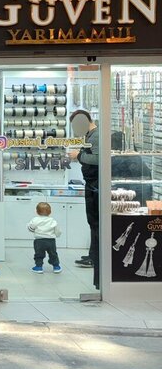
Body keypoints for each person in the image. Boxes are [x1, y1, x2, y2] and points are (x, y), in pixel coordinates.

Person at [70, 109, 99, 289]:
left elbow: (98, 159)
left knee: (96, 223)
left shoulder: (96, 136)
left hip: (96, 185)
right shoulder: (90, 135)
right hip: (92, 184)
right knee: (93, 222)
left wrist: (78, 155)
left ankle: (95, 257)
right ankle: (93, 255)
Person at [28, 201, 62, 273]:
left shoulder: (35, 220)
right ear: (50, 212)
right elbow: (58, 231)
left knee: (39, 254)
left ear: (37, 212)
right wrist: (57, 235)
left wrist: (33, 230)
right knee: (53, 254)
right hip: (51, 241)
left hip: (39, 241)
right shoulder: (52, 220)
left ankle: (39, 267)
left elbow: (31, 228)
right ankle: (56, 266)